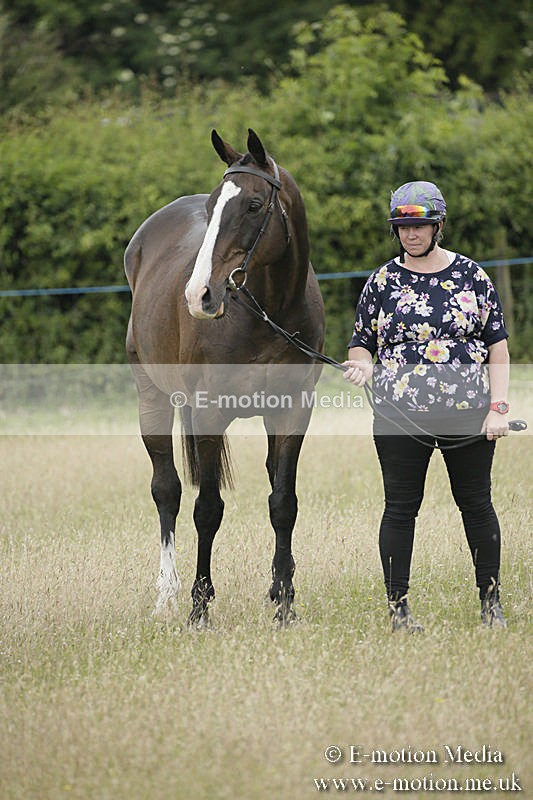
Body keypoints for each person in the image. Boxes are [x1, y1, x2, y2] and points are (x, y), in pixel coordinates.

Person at [343, 180, 510, 632]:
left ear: (438, 226)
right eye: (402, 227)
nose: (410, 235)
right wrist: (361, 366)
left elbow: (497, 348)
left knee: (476, 505)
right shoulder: (381, 282)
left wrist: (498, 407)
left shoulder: (471, 277)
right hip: (399, 416)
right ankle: (398, 610)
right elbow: (361, 344)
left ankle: (490, 604)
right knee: (400, 508)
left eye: (419, 226)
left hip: (467, 413)